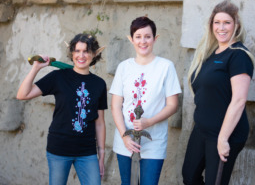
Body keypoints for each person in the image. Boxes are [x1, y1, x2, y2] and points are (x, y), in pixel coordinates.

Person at [16, 33, 107, 185]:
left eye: (86, 51)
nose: (81, 55)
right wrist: (36, 68)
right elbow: (22, 94)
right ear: (72, 53)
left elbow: (100, 122)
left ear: (94, 55)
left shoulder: (99, 84)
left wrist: (101, 155)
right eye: (77, 51)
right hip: (59, 148)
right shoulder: (58, 77)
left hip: (87, 151)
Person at [182, 0, 255, 185]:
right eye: (217, 22)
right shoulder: (211, 53)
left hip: (225, 133)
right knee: (189, 177)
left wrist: (223, 139)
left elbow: (239, 100)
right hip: (202, 129)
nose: (221, 27)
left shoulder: (238, 55)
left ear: (236, 25)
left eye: (226, 23)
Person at [109, 16, 182, 185]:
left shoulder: (166, 67)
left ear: (155, 39)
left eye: (147, 36)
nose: (143, 41)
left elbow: (172, 105)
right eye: (138, 36)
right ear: (131, 39)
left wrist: (149, 121)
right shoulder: (124, 67)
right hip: (125, 140)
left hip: (154, 140)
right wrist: (124, 136)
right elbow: (115, 106)